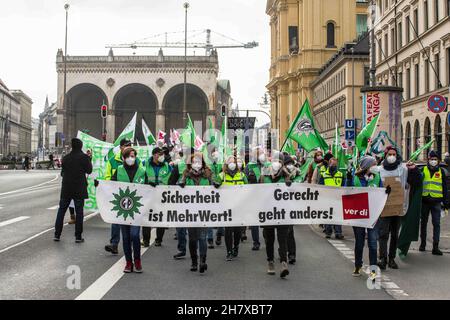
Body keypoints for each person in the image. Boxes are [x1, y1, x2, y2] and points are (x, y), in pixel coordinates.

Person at [377, 146, 419, 270]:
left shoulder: (403, 169)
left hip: (398, 207)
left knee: (395, 234)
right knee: (383, 234)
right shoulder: (379, 170)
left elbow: (415, 181)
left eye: (394, 154)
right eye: (389, 154)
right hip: (384, 207)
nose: (392, 156)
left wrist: (414, 169)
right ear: (385, 155)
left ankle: (391, 259)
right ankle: (383, 259)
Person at [178, 152, 219, 274]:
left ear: (203, 163)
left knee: (202, 237)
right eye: (194, 162)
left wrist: (217, 184)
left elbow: (215, 182)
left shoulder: (208, 174)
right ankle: (194, 261)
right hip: (190, 212)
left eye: (199, 162)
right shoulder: (185, 174)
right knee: (192, 238)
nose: (197, 164)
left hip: (204, 211)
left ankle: (202, 261)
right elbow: (179, 185)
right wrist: (180, 185)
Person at [347, 156, 384, 279]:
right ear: (367, 166)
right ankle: (358, 265)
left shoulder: (377, 177)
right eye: (373, 164)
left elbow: (381, 192)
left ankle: (373, 270)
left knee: (373, 243)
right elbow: (347, 193)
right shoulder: (356, 178)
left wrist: (386, 192)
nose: (375, 166)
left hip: (373, 216)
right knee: (359, 243)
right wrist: (347, 180)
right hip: (359, 215)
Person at [111, 147, 147, 273]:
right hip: (123, 209)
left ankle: (137, 261)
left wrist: (152, 184)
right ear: (124, 158)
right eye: (128, 156)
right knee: (126, 237)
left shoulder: (142, 171)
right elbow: (111, 185)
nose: (131, 158)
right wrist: (100, 185)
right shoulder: (119, 170)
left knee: (135, 235)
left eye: (133, 155)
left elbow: (147, 187)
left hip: (136, 210)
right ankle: (128, 263)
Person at [54, 138, 92, 242]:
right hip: (79, 188)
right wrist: (89, 159)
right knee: (79, 213)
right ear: (80, 146)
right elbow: (89, 170)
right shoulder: (84, 157)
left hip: (66, 188)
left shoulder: (66, 158)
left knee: (61, 211)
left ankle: (57, 234)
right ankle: (78, 237)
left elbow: (62, 172)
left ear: (72, 146)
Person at [260, 151, 291, 278]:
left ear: (282, 163)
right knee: (269, 239)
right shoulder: (264, 176)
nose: (276, 163)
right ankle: (270, 262)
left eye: (279, 161)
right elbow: (257, 192)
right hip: (268, 213)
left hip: (282, 213)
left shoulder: (287, 176)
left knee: (282, 239)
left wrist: (290, 184)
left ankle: (284, 263)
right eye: (275, 160)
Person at [104, 139, 133, 255]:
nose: (128, 147)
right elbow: (107, 177)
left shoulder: (137, 161)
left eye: (130, 145)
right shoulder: (112, 161)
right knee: (115, 220)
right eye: (126, 146)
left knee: (130, 222)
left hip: (132, 196)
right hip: (118, 196)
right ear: (121, 147)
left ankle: (130, 245)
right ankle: (114, 244)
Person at [218, 155, 248, 261]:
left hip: (239, 207)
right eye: (229, 161)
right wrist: (216, 184)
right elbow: (214, 185)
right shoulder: (221, 175)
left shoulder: (241, 175)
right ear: (226, 164)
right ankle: (229, 251)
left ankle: (236, 246)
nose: (232, 163)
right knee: (228, 230)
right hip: (226, 207)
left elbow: (248, 188)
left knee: (237, 230)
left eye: (233, 161)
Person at [419, 150, 449, 256]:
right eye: (431, 159)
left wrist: (446, 203)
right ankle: (422, 244)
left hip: (436, 202)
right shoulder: (423, 170)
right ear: (428, 159)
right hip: (425, 201)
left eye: (435, 159)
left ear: (439, 160)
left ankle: (435, 247)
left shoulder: (442, 172)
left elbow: (445, 188)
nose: (433, 161)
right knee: (423, 224)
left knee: (436, 224)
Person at [142, 147, 172, 247]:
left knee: (160, 217)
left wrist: (160, 184)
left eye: (162, 154)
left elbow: (171, 177)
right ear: (154, 155)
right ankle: (146, 240)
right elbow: (140, 175)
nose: (162, 156)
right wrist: (147, 182)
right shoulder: (144, 163)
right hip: (148, 195)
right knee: (146, 218)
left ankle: (159, 239)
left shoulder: (167, 166)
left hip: (161, 195)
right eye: (160, 154)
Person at [244, 146, 269, 251]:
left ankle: (267, 237)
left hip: (265, 196)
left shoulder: (268, 165)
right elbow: (244, 180)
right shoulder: (249, 166)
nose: (261, 155)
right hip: (253, 196)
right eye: (258, 153)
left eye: (262, 153)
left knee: (266, 220)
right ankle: (255, 242)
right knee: (254, 220)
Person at [319, 155, 345, 239]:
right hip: (327, 198)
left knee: (337, 216)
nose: (334, 166)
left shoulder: (340, 174)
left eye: (335, 165)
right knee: (328, 215)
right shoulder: (324, 175)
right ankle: (328, 232)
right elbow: (320, 186)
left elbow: (344, 186)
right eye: (332, 164)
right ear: (329, 164)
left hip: (337, 198)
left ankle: (338, 233)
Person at [284, 153, 302, 265]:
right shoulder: (280, 174)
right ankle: (286, 252)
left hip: (291, 206)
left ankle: (291, 254)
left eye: (291, 164)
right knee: (285, 232)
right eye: (287, 164)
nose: (290, 166)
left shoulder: (298, 174)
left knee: (289, 231)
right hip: (282, 206)